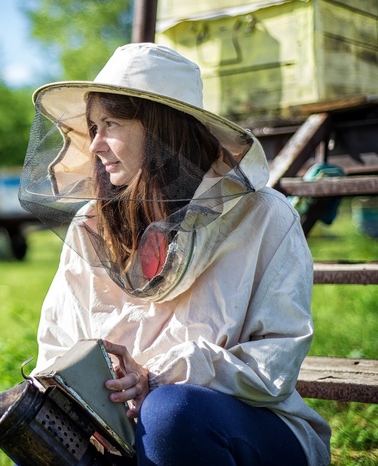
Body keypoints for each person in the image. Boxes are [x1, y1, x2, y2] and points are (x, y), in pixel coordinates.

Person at [18, 43, 331, 465]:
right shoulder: (92, 225)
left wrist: (159, 378)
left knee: (168, 413)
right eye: (92, 127)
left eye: (111, 123)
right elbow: (57, 346)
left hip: (244, 431)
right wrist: (87, 385)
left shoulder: (263, 217)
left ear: (163, 128)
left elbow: (273, 364)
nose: (95, 145)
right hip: (124, 436)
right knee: (37, 425)